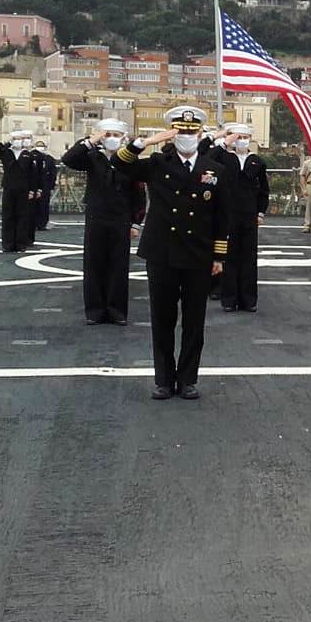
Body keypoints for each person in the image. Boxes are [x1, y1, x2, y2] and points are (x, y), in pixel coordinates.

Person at [118, 105, 231, 401]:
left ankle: (188, 379)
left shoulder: (214, 169)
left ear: (200, 134)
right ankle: (164, 380)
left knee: (194, 321)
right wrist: (145, 143)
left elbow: (222, 215)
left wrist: (219, 257)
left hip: (199, 254)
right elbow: (122, 165)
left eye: (191, 132)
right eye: (180, 131)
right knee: (163, 319)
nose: (186, 137)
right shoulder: (157, 162)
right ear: (171, 133)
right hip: (162, 252)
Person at [63, 118, 144, 326]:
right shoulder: (92, 157)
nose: (112, 139)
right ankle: (95, 311)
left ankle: (117, 311)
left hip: (121, 218)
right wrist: (91, 141)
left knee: (119, 266)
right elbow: (69, 159)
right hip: (96, 216)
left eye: (116, 135)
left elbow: (139, 194)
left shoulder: (130, 160)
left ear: (124, 138)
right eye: (108, 135)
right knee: (94, 263)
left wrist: (136, 223)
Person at [209, 123, 268, 312]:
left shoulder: (256, 161)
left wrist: (260, 212)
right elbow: (207, 159)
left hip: (249, 215)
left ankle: (248, 300)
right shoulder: (224, 157)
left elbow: (264, 190)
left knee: (249, 258)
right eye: (238, 137)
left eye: (244, 137)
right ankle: (229, 299)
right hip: (228, 214)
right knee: (229, 257)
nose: (241, 141)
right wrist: (224, 143)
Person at [0, 129, 40, 252]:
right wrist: (6, 144)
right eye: (15, 139)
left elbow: (33, 175)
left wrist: (32, 190)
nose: (18, 142)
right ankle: (8, 244)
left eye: (20, 139)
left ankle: (21, 244)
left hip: (23, 189)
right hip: (9, 187)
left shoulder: (28, 154)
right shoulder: (6, 152)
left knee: (22, 217)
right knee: (8, 216)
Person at [32, 138, 58, 231]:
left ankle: (42, 223)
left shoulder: (49, 158)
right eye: (38, 145)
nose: (40, 148)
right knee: (32, 205)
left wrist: (51, 186)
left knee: (44, 206)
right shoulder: (31, 156)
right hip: (33, 186)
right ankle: (32, 223)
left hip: (45, 186)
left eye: (42, 146)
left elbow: (53, 173)